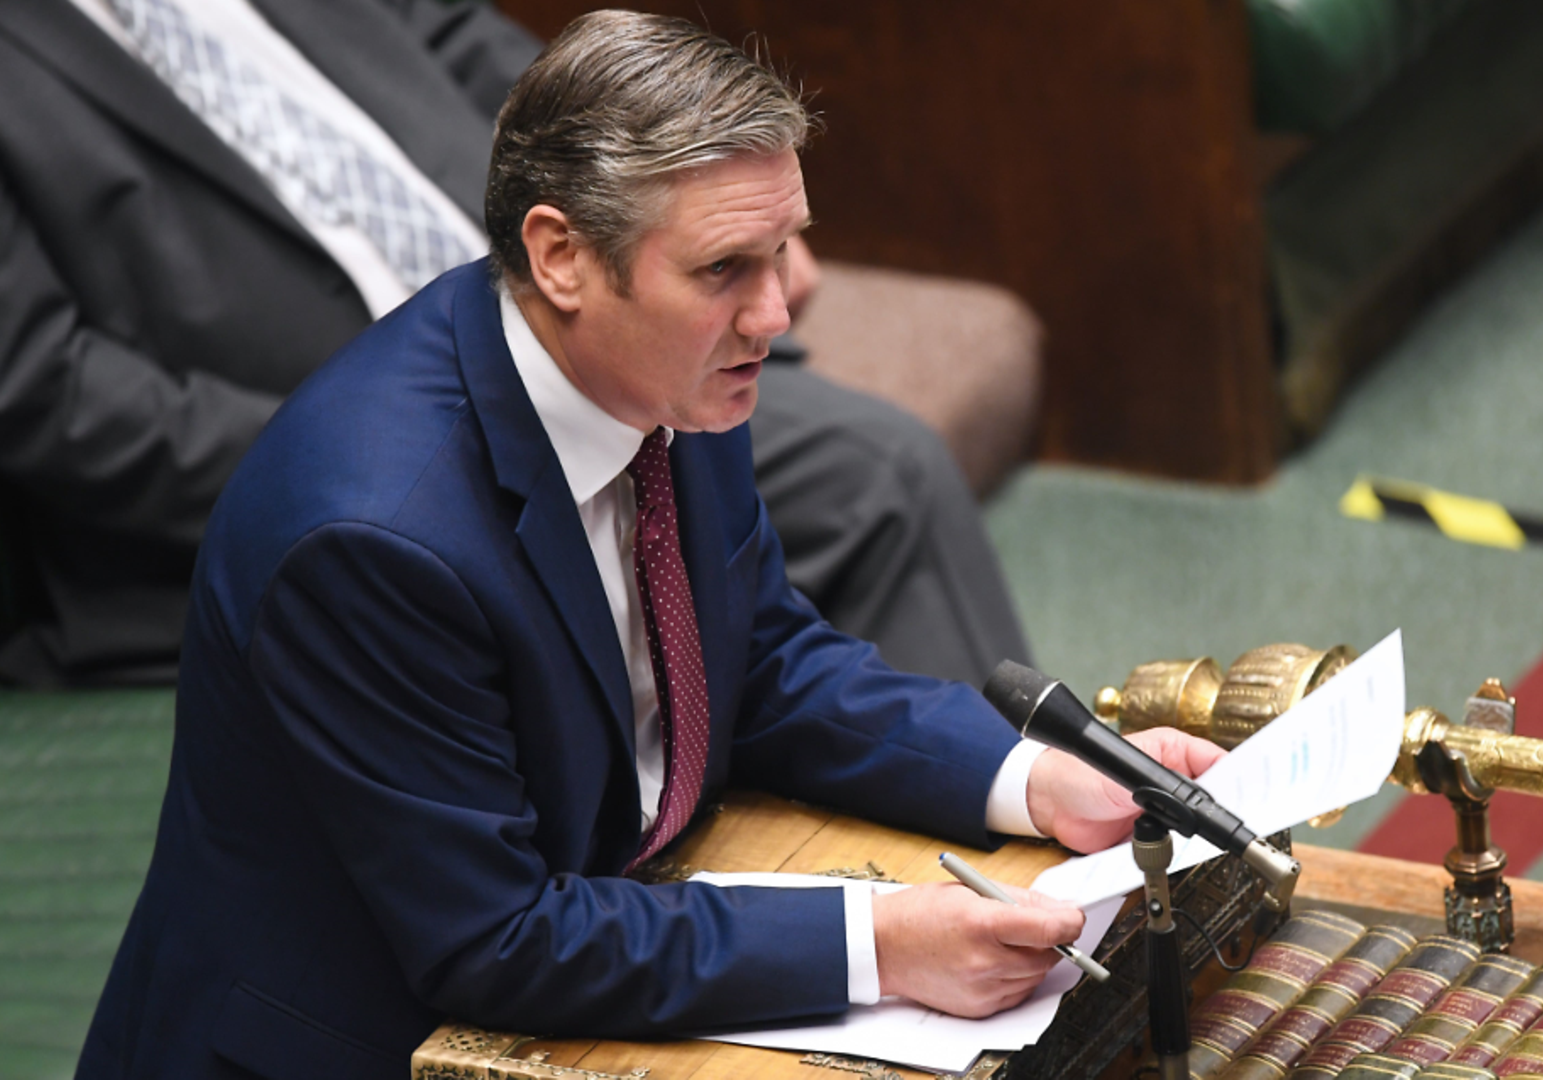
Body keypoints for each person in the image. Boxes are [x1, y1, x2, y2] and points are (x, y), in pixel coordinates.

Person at [75, 12, 1223, 1078]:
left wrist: (1037, 781)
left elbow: (762, 665)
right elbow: (498, 938)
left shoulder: (664, 378)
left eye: (785, 252)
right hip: (366, 1044)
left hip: (592, 930)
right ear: (562, 256)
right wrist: (880, 945)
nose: (775, 315)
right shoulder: (371, 540)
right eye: (725, 268)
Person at [0, 0, 1031, 689]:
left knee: (876, 477)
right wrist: (370, 453)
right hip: (321, 471)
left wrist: (689, 197)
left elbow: (460, 38)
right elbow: (43, 389)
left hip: (551, 320)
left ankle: (1026, 875)